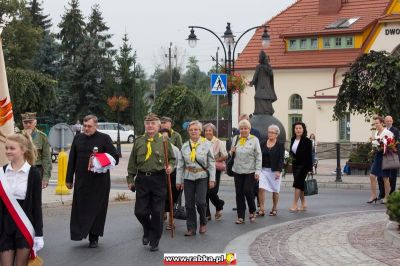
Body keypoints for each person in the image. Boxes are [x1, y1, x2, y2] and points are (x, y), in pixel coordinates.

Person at [66, 115, 119, 248]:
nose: (86, 128)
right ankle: (79, 233)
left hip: (99, 182)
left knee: (97, 210)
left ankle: (93, 237)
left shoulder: (104, 139)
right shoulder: (78, 138)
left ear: (96, 126)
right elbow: (72, 158)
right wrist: (68, 179)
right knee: (81, 208)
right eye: (85, 126)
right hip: (81, 181)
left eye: (89, 126)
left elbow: (115, 157)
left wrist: (100, 159)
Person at [127, 113, 175, 251]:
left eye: (153, 123)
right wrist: (130, 178)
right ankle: (147, 230)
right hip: (142, 179)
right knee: (140, 212)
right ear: (145, 125)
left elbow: (172, 159)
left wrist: (170, 167)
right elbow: (132, 162)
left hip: (159, 179)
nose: (150, 126)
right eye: (148, 123)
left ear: (158, 125)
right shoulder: (139, 141)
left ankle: (155, 240)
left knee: (157, 212)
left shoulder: (164, 141)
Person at [0, 133, 43, 265]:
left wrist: (39, 234)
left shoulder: (34, 174)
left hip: (24, 226)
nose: (8, 151)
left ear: (23, 150)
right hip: (4, 227)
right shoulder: (2, 172)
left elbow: (37, 206)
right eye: (6, 148)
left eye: (12, 148)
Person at [176, 121, 215, 236]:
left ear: (200, 131)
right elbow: (180, 165)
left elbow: (211, 162)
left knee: (201, 202)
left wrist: (212, 179)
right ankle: (191, 228)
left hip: (202, 176)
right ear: (188, 131)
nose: (193, 131)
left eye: (196, 129)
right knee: (189, 204)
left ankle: (203, 222)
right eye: (191, 129)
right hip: (188, 177)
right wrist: (179, 180)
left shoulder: (207, 144)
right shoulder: (184, 146)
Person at [231, 119, 262, 224]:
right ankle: (241, 216)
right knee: (239, 193)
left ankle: (252, 210)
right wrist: (231, 151)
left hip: (250, 170)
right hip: (237, 170)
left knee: (248, 191)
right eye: (241, 128)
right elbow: (232, 155)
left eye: (246, 128)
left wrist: (258, 172)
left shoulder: (254, 140)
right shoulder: (235, 138)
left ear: (249, 129)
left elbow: (258, 156)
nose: (243, 130)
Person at [258, 125, 284, 217]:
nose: (270, 134)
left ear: (277, 134)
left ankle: (274, 208)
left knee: (275, 190)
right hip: (263, 170)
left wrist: (279, 171)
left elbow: (281, 159)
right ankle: (261, 208)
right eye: (269, 132)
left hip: (275, 171)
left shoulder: (280, 145)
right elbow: (258, 156)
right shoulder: (262, 143)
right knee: (261, 188)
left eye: (272, 132)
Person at [203, 123, 228, 221]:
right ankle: (207, 214)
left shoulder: (218, 142)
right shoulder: (202, 142)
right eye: (206, 131)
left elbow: (225, 155)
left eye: (210, 131)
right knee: (204, 192)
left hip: (215, 169)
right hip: (204, 169)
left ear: (213, 132)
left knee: (212, 191)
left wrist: (214, 161)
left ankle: (219, 205)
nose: (208, 132)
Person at [21, 112, 52, 189]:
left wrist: (46, 177)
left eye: (30, 122)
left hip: (36, 170)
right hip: (20, 170)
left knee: (35, 197)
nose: (28, 125)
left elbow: (46, 158)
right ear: (22, 123)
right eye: (25, 122)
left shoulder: (42, 137)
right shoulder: (18, 136)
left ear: (35, 123)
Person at [369, 116, 393, 204]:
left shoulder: (388, 132)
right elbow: (376, 144)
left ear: (382, 123)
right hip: (378, 156)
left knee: (385, 177)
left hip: (386, 157)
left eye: (377, 123)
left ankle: (387, 197)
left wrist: (383, 146)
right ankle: (373, 195)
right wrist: (373, 149)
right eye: (375, 123)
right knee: (372, 175)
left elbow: (391, 145)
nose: (376, 125)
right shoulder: (376, 132)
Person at [159, 128, 180, 231]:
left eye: (166, 137)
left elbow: (178, 164)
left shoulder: (175, 149)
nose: (164, 139)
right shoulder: (157, 148)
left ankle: (171, 221)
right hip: (160, 175)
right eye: (162, 137)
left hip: (172, 175)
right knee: (161, 197)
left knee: (171, 198)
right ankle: (162, 215)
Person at [289, 122, 313, 212]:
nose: (298, 130)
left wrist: (310, 169)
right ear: (294, 130)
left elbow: (309, 156)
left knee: (297, 184)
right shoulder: (293, 139)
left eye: (300, 128)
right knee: (301, 185)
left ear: (303, 130)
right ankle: (303, 204)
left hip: (304, 166)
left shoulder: (307, 141)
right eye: (296, 128)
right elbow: (292, 152)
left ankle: (295, 204)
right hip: (295, 165)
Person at [249, 50, 277, 115]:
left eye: (259, 57)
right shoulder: (268, 67)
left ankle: (260, 111)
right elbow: (270, 74)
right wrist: (252, 82)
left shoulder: (260, 66)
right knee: (265, 97)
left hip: (261, 86)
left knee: (258, 97)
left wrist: (252, 82)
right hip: (266, 86)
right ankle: (267, 110)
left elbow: (255, 76)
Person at [383, 116, 399, 197]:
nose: (389, 122)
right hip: (384, 155)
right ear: (385, 122)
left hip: (392, 155)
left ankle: (392, 193)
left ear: (392, 121)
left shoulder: (395, 130)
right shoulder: (383, 130)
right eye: (387, 121)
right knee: (383, 175)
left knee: (393, 175)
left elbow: (397, 143)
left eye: (390, 121)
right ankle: (383, 194)